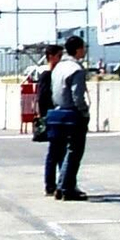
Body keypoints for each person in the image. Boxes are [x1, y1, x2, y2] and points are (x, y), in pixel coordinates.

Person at [46, 35, 89, 201]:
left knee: (62, 152)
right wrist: (84, 112)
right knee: (74, 151)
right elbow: (77, 96)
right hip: (72, 113)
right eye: (83, 47)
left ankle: (61, 185)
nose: (84, 50)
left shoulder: (58, 68)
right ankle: (66, 187)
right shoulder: (76, 69)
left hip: (57, 112)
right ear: (78, 49)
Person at [36, 43, 62, 192]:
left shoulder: (57, 75)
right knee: (55, 151)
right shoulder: (47, 76)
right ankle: (51, 184)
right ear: (51, 57)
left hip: (56, 115)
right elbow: (42, 98)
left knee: (58, 151)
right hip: (51, 116)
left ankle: (58, 182)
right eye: (59, 56)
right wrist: (44, 117)